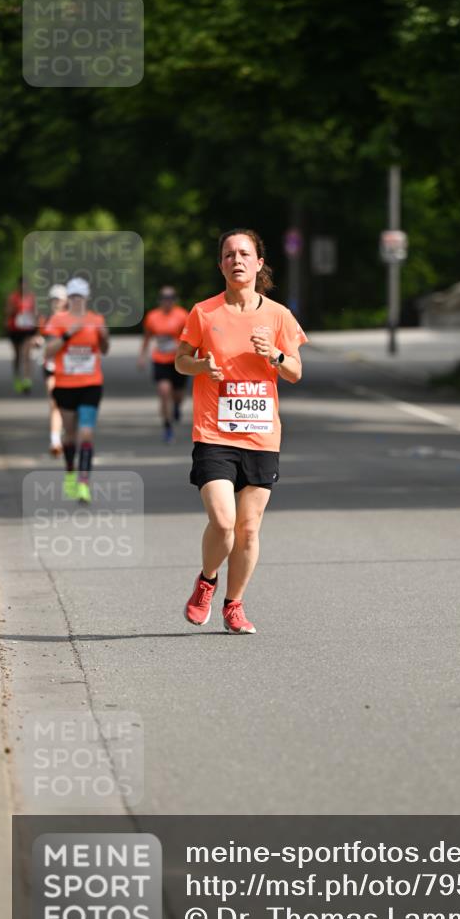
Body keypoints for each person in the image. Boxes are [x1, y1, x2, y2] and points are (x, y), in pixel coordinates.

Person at [175, 228, 307, 634]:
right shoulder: (204, 312)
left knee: (248, 529)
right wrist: (201, 366)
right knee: (223, 520)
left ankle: (234, 604)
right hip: (214, 431)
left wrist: (276, 354)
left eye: (244, 254)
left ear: (258, 263)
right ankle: (207, 581)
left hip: (261, 435)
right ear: (220, 265)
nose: (237, 260)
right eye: (229, 254)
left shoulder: (278, 315)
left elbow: (295, 372)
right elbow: (181, 360)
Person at [43, 277, 109, 503]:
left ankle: (83, 483)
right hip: (65, 385)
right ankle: (70, 471)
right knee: (70, 435)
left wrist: (105, 336)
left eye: (80, 296)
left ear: (86, 297)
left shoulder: (96, 319)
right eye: (73, 297)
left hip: (91, 384)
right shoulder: (58, 319)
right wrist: (68, 333)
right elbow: (48, 352)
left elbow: (105, 349)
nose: (77, 301)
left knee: (87, 433)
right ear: (68, 298)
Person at [137, 286, 189, 442]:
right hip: (160, 359)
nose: (167, 301)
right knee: (164, 391)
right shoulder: (152, 316)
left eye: (171, 298)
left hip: (178, 360)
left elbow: (190, 338)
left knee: (178, 395)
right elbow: (147, 337)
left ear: (175, 300)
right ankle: (167, 426)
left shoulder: (182, 315)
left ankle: (177, 407)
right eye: (164, 298)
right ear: (160, 300)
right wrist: (142, 356)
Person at [37, 284, 69, 456]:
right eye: (53, 299)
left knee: (68, 405)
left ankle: (66, 428)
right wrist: (38, 342)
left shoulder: (71, 320)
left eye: (59, 299)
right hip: (50, 366)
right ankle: (55, 441)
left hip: (69, 368)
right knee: (54, 402)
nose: (56, 302)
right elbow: (39, 337)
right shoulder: (45, 319)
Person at [5, 277, 37, 393]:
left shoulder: (31, 297)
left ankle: (27, 380)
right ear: (19, 286)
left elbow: (35, 313)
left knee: (26, 354)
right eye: (22, 285)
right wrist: (16, 309)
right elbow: (7, 312)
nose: (24, 287)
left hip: (27, 330)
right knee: (18, 355)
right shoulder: (13, 297)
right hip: (15, 330)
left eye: (25, 285)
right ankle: (17, 377)